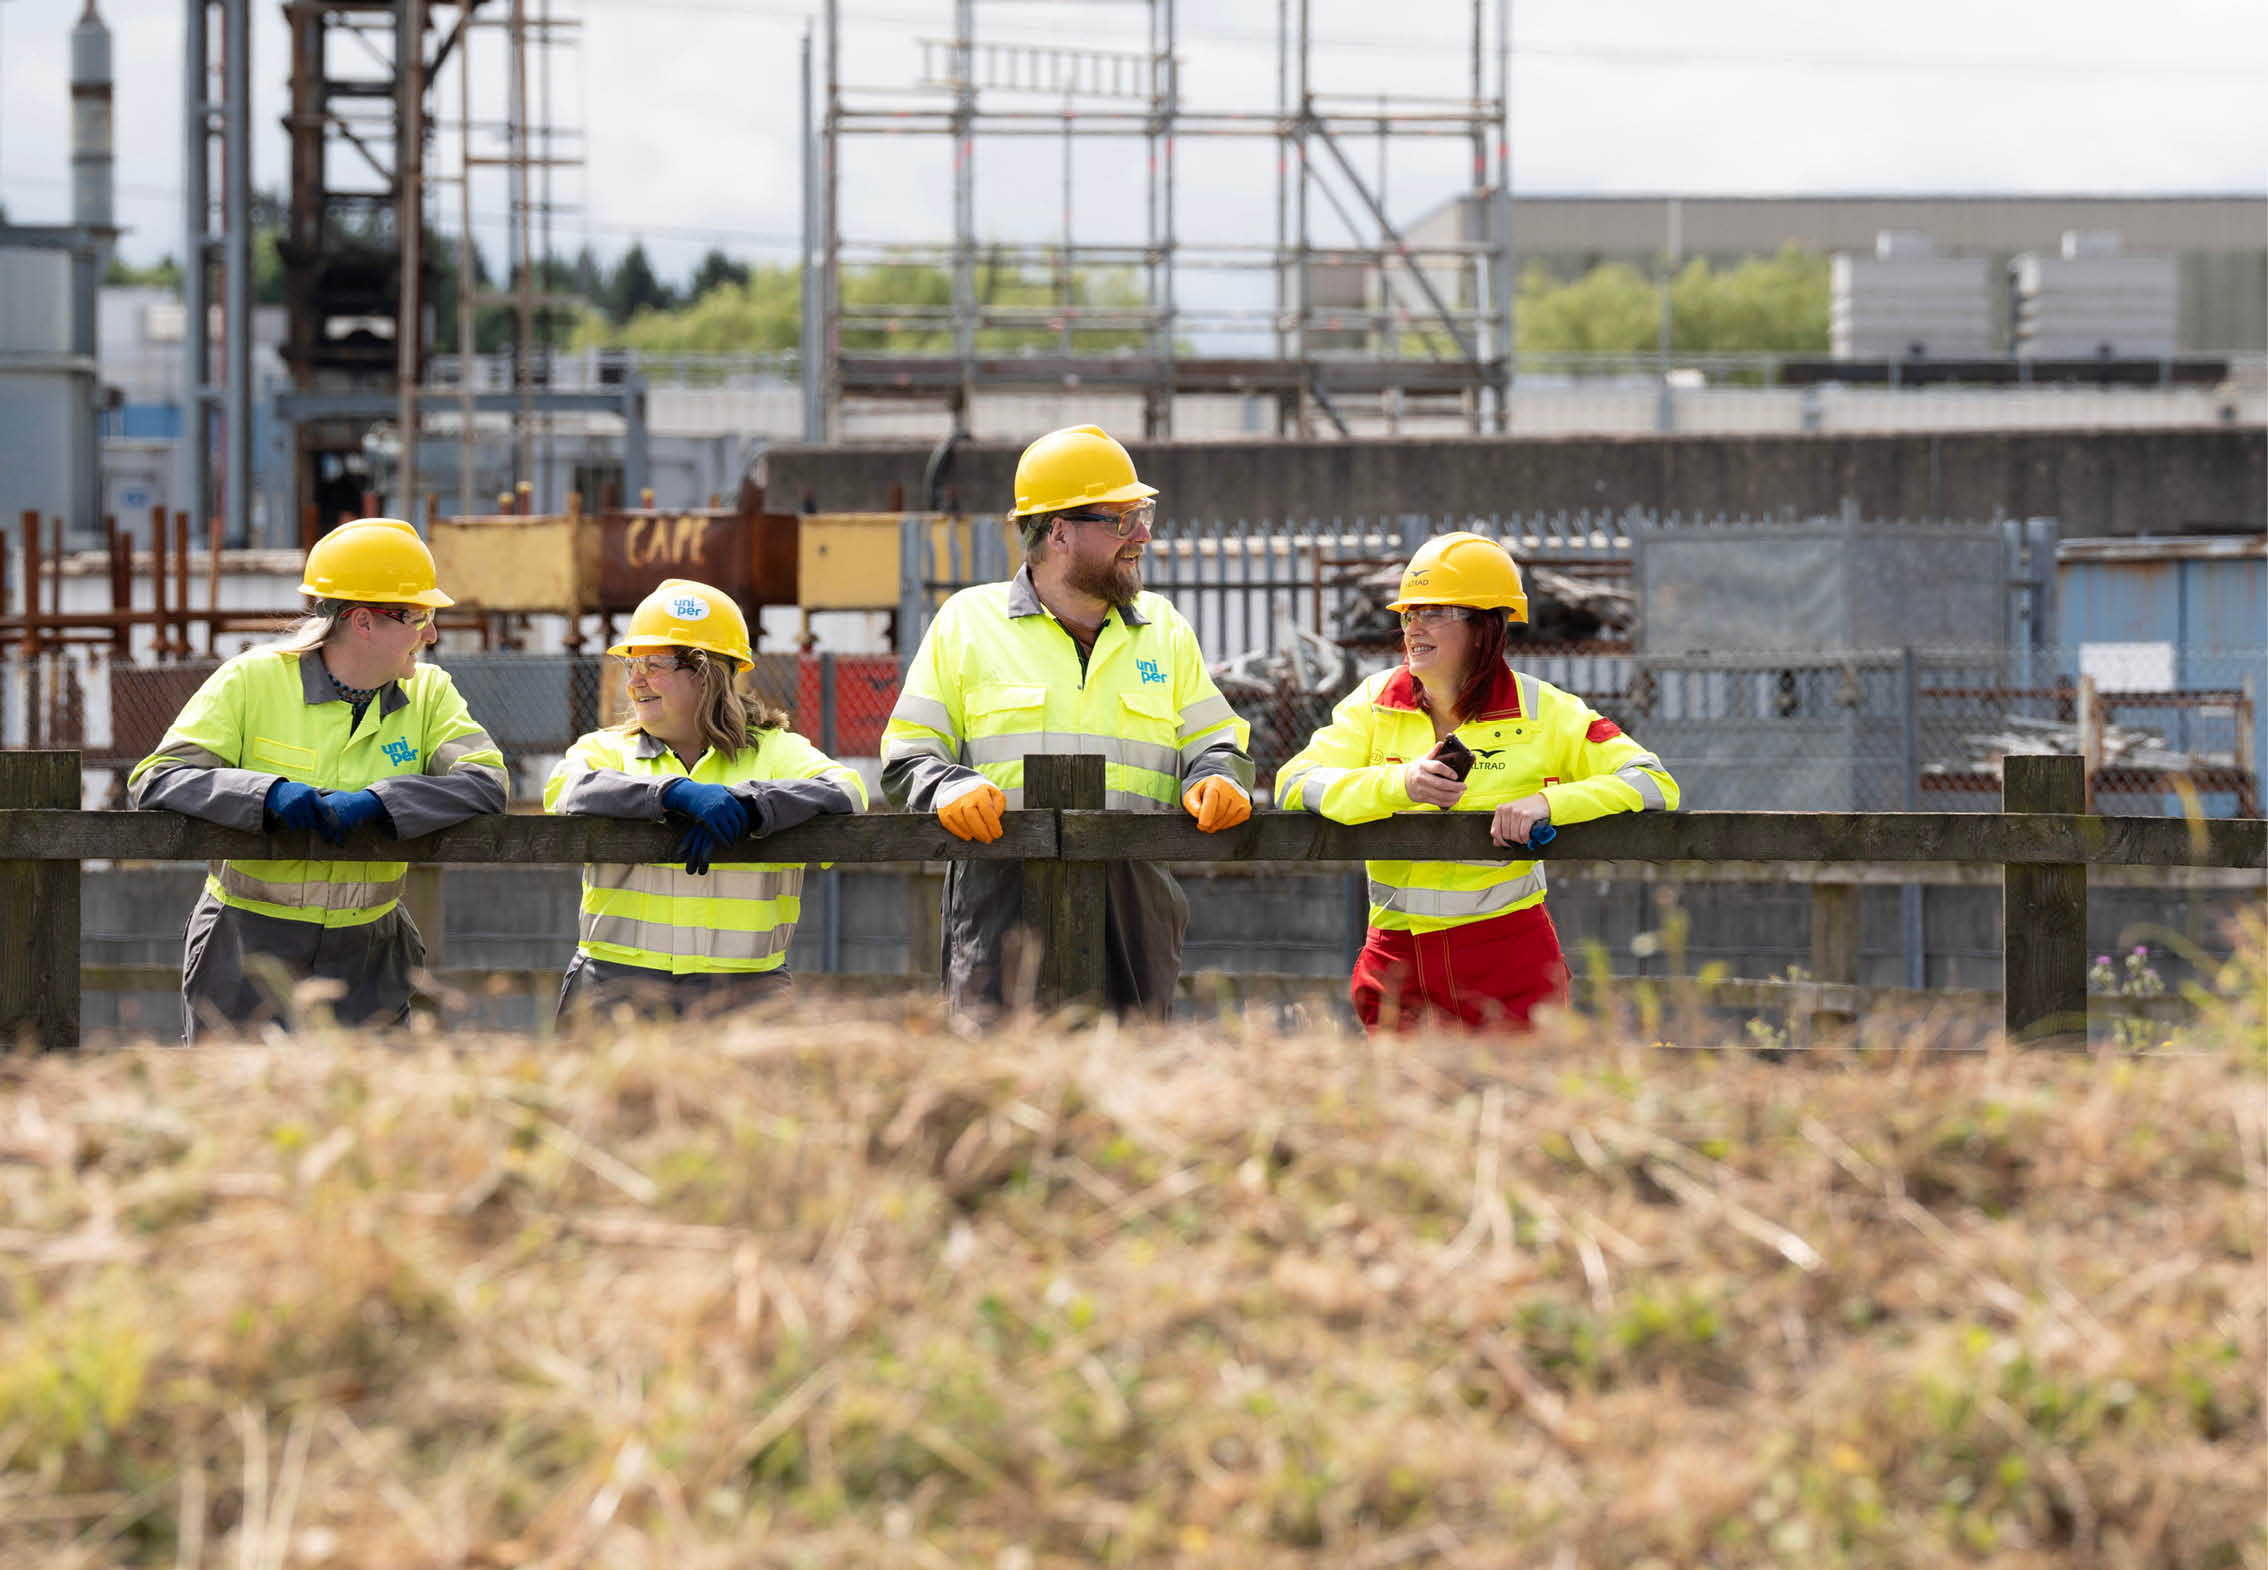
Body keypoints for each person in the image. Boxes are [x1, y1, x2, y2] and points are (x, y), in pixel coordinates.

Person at [880, 423, 1254, 1019]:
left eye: (1143, 514)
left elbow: (1216, 740)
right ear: (1058, 531)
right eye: (1122, 519)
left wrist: (1218, 777)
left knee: (1127, 1084)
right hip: (1000, 903)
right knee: (1000, 1088)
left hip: (1133, 908)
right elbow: (906, 756)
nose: (1143, 535)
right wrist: (949, 786)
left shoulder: (1165, 630)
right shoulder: (966, 624)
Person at [1277, 532, 1679, 1033]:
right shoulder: (1373, 701)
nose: (1414, 628)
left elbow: (1653, 782)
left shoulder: (1544, 710)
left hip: (1507, 957)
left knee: (1523, 1107)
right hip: (1396, 961)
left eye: (1434, 612)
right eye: (1408, 614)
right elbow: (1295, 784)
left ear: (1485, 625)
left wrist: (1549, 802)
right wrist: (1400, 783)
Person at [127, 517, 507, 1041]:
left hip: (371, 952)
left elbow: (486, 781)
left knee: (369, 1116)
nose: (432, 634)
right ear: (363, 622)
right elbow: (158, 778)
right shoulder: (252, 680)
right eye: (419, 616)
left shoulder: (430, 694)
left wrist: (382, 802)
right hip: (245, 951)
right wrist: (266, 796)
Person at [544, 578, 867, 1021]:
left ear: (707, 673)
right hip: (615, 990)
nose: (635, 681)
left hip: (747, 992)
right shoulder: (607, 750)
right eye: (631, 666)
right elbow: (564, 788)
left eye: (653, 664)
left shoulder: (775, 751)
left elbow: (848, 791)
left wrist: (754, 806)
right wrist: (671, 794)